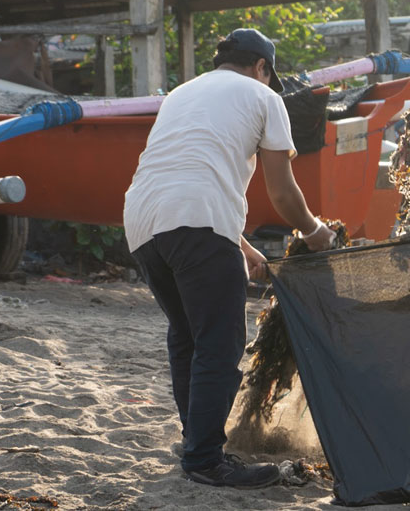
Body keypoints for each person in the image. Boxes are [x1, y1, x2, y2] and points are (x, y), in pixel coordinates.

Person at [123, 28, 335, 489]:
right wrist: (315, 233)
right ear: (262, 68)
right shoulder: (263, 97)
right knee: (219, 341)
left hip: (142, 222)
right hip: (196, 221)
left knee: (187, 335)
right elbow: (281, 191)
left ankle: (195, 440)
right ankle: (204, 459)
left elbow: (187, 173)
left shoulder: (182, 93)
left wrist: (241, 244)